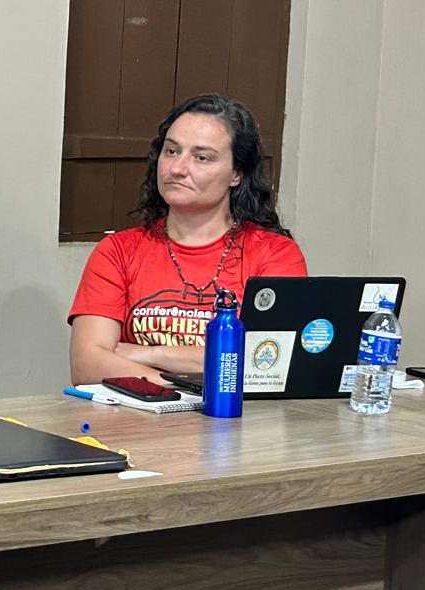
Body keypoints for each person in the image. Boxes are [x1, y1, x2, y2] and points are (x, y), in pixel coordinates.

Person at [68, 93, 307, 385]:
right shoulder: (117, 251)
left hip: (232, 414)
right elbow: (87, 366)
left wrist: (148, 353)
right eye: (171, 151)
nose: (177, 169)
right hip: (135, 412)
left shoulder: (275, 254)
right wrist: (183, 387)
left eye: (201, 157)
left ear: (237, 173)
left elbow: (267, 364)